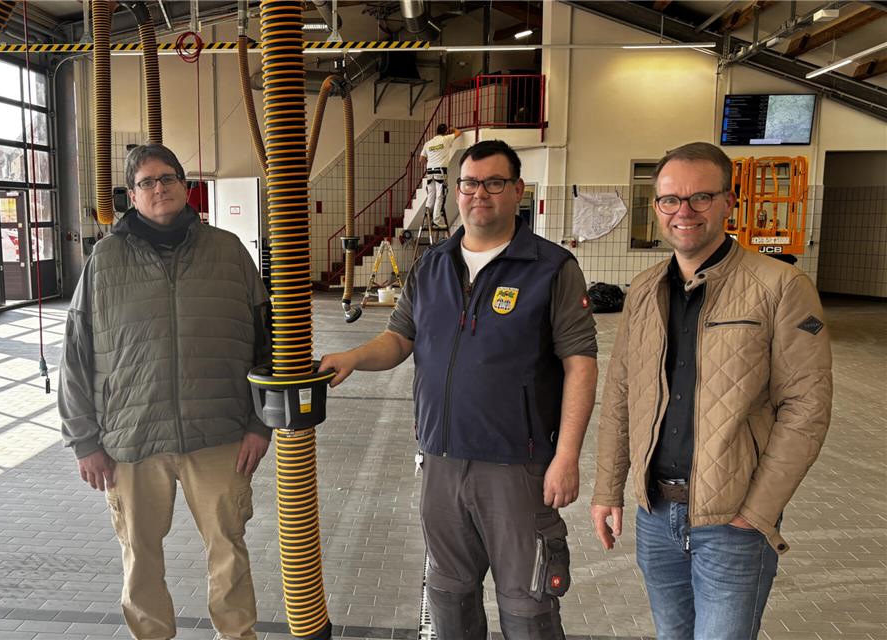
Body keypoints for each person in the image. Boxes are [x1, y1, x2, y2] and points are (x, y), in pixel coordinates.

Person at [321, 140, 598, 639]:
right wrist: (352, 358)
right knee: (449, 600)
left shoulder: (551, 268)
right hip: (441, 464)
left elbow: (580, 364)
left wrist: (568, 456)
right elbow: (399, 338)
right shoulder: (432, 266)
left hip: (518, 467)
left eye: (494, 182)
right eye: (470, 183)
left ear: (517, 190)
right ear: (456, 192)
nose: (480, 194)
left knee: (529, 606)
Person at [590, 142, 833, 640]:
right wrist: (607, 489)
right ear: (656, 207)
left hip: (733, 522)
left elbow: (807, 407)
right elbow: (620, 395)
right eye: (670, 199)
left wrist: (758, 511)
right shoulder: (644, 290)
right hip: (656, 515)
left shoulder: (779, 286)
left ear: (728, 201)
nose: (684, 211)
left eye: (701, 197)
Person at [58, 143, 272, 640]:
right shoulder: (104, 261)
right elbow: (76, 353)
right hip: (131, 440)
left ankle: (237, 635)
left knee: (229, 550)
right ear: (132, 196)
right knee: (139, 556)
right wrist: (84, 441)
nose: (160, 188)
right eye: (147, 182)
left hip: (219, 436)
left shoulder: (228, 251)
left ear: (184, 185)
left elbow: (270, 342)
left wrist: (260, 424)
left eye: (168, 178)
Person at [419, 123, 461, 229]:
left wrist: (432, 161)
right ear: (446, 131)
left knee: (431, 196)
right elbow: (459, 133)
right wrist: (453, 129)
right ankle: (436, 220)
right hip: (440, 172)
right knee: (440, 196)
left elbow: (421, 159)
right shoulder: (446, 139)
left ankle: (427, 220)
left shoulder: (428, 143)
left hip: (430, 172)